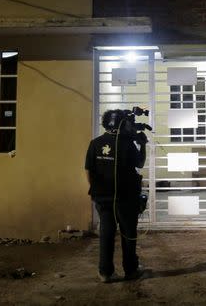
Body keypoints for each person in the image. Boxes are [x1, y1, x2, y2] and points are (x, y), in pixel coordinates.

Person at [85, 109, 148, 282]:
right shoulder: (127, 144)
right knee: (128, 234)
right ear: (122, 124)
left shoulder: (95, 143)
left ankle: (105, 272)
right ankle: (131, 270)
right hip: (125, 198)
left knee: (106, 234)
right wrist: (142, 145)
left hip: (103, 198)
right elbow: (140, 163)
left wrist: (98, 190)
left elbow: (89, 170)